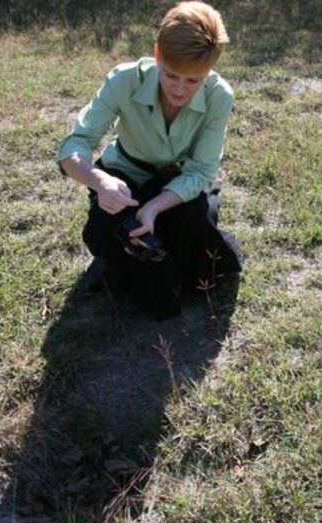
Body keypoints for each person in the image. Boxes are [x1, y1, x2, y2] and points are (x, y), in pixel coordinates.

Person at [56, 1, 241, 320]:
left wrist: (154, 207)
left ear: (209, 70)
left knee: (193, 222)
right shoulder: (123, 80)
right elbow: (74, 145)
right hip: (125, 175)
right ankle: (111, 263)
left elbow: (202, 170)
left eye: (193, 81)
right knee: (108, 226)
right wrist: (100, 182)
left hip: (178, 182)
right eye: (170, 75)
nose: (179, 89)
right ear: (157, 55)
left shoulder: (219, 96)